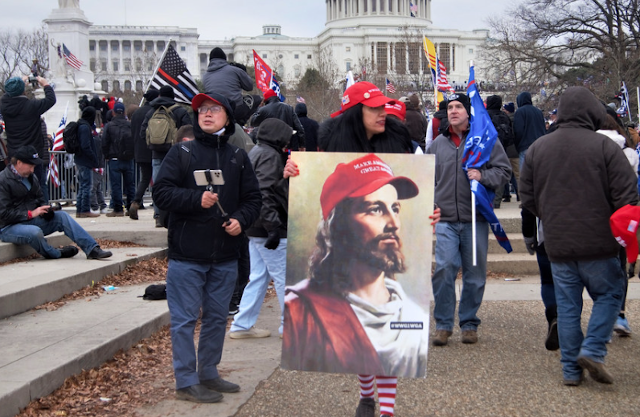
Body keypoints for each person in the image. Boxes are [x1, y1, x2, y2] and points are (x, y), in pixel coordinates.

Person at [283, 81, 440, 417]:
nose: (384, 113)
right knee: (362, 333)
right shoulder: (304, 311)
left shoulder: (398, 140)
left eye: (393, 208)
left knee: (381, 333)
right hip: (335, 286)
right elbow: (312, 172)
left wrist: (432, 209)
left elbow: (420, 178)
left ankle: (385, 409)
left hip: (380, 298)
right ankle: (367, 394)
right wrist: (292, 173)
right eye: (375, 108)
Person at [520, 86, 638, 386]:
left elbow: (528, 198)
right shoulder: (606, 147)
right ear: (591, 112)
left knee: (569, 307)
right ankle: (593, 350)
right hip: (598, 241)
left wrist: (550, 215)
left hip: (557, 241)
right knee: (610, 295)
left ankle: (571, 371)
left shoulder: (537, 148)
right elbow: (627, 197)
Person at [152, 92, 261, 403]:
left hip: (225, 255)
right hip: (187, 255)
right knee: (185, 320)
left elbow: (253, 200)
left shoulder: (238, 158)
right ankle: (186, 380)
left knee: (216, 317)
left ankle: (208, 372)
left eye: (214, 109)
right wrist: (195, 200)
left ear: (228, 117)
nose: (207, 114)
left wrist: (241, 220)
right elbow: (161, 194)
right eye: (202, 110)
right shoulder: (182, 153)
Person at [427, 93, 511, 347]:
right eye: (449, 107)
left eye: (458, 107)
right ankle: (443, 324)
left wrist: (482, 176)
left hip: (475, 217)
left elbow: (504, 171)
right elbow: (427, 179)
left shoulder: (484, 141)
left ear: (468, 112)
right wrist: (431, 203)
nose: (453, 111)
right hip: (446, 220)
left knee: (474, 274)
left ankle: (469, 322)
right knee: (444, 269)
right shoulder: (437, 145)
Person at [230, 118, 292, 339]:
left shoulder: (257, 151)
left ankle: (241, 325)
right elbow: (265, 192)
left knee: (259, 277)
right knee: (285, 277)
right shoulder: (270, 156)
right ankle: (291, 327)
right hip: (268, 227)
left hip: (255, 226)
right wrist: (274, 226)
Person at [0, 145, 112, 260]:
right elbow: (3, 214)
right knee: (35, 232)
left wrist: (46, 211)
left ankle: (92, 248)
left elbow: (40, 199)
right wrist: (29, 214)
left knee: (62, 216)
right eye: (30, 166)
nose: (32, 170)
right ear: (19, 163)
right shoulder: (3, 180)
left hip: (30, 220)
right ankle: (57, 253)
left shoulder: (31, 177)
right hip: (9, 227)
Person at [141, 85, 191, 227]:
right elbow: (188, 131)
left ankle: (158, 215)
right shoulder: (180, 111)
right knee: (176, 185)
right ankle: (173, 215)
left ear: (159, 95)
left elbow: (142, 132)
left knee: (158, 185)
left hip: (156, 153)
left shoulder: (151, 111)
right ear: (173, 96)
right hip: (176, 154)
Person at [1, 76, 56, 195]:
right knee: (39, 187)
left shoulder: (4, 106)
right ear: (23, 90)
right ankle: (41, 212)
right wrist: (46, 84)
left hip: (14, 154)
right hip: (33, 153)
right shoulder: (32, 106)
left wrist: (18, 84)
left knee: (15, 188)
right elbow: (51, 100)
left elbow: (6, 96)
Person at [202, 47, 255, 125]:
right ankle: (242, 122)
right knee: (257, 99)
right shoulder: (235, 70)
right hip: (235, 109)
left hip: (215, 111)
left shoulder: (205, 76)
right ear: (224, 59)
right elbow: (249, 87)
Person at [128, 89, 158, 220]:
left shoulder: (136, 113)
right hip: (154, 149)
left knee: (145, 179)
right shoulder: (155, 112)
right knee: (158, 179)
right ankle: (158, 209)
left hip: (139, 151)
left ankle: (135, 202)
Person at [102, 102, 135, 216]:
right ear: (124, 112)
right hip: (128, 158)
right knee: (130, 184)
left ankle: (118, 209)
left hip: (114, 158)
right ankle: (131, 207)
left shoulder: (109, 126)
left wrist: (106, 155)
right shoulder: (130, 125)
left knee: (116, 185)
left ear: (113, 112)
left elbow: (105, 142)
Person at [486, 95, 518, 207]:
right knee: (499, 171)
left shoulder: (485, 115)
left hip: (487, 147)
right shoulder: (504, 116)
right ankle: (497, 200)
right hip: (502, 147)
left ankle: (489, 199)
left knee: (486, 172)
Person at [75, 107, 101, 218]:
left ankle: (80, 209)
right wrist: (93, 157)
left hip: (79, 159)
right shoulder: (85, 127)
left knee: (82, 186)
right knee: (86, 186)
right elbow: (85, 145)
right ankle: (85, 209)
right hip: (85, 160)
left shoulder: (80, 125)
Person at [513, 91, 546, 170]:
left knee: (525, 175)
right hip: (540, 146)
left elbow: (518, 130)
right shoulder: (538, 112)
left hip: (526, 146)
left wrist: (517, 145)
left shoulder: (520, 112)